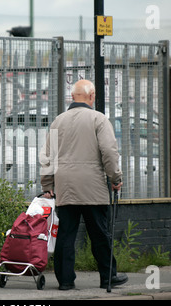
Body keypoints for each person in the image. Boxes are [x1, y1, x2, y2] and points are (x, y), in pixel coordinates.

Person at [39, 79, 127, 290]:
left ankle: (65, 281)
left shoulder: (58, 121)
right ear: (92, 96)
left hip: (65, 186)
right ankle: (108, 277)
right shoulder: (99, 119)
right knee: (99, 233)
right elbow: (109, 152)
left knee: (66, 234)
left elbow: (48, 156)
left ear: (72, 97)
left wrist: (47, 184)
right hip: (93, 187)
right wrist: (115, 178)